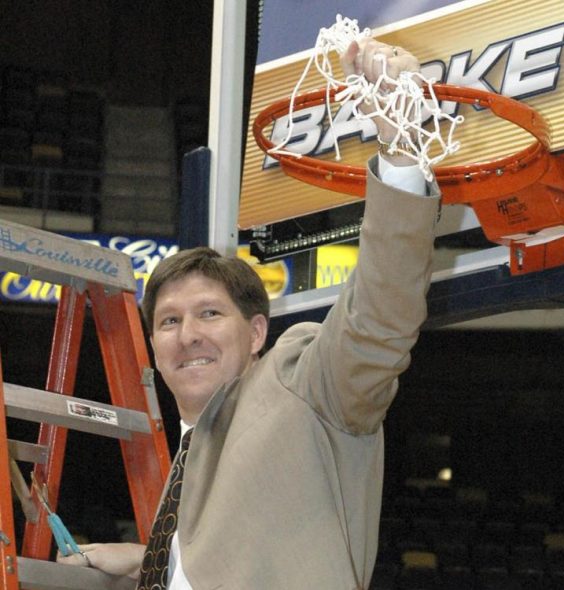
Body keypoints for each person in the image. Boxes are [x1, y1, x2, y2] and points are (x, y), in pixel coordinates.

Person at [58, 37, 440, 589]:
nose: (187, 335)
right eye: (169, 322)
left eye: (210, 314)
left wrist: (401, 150)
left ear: (257, 331)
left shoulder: (300, 384)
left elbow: (378, 321)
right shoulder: (191, 459)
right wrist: (153, 563)